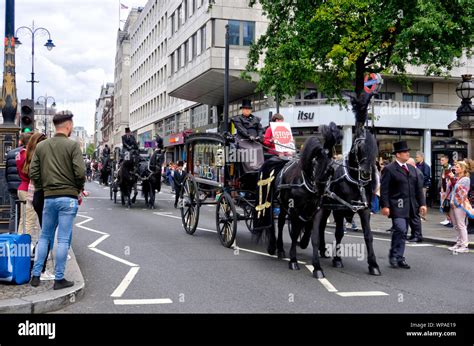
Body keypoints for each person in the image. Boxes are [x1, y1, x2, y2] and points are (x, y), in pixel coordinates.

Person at [30, 111, 86, 290]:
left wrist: (44, 187)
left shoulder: (41, 146)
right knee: (62, 239)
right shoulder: (73, 146)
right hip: (68, 198)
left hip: (49, 197)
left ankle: (36, 275)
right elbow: (80, 173)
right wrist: (77, 188)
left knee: (44, 236)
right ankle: (59, 279)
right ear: (69, 126)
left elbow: (34, 173)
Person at [380, 141, 427, 269]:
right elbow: (384, 190)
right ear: (398, 155)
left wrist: (422, 204)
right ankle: (394, 255)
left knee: (404, 232)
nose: (407, 154)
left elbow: (418, 189)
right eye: (405, 152)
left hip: (411, 206)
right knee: (400, 229)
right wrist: (385, 206)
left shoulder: (412, 169)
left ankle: (399, 257)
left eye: (407, 152)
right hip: (397, 205)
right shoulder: (389, 169)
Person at [16, 132, 46, 246]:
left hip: (21, 187)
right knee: (29, 221)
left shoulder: (19, 154)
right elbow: (32, 173)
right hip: (29, 189)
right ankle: (23, 248)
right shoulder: (28, 155)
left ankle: (18, 244)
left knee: (23, 219)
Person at [5, 132, 32, 232]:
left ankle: (12, 234)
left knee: (13, 213)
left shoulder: (11, 153)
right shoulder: (28, 154)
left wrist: (9, 184)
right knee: (25, 214)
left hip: (13, 187)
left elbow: (7, 170)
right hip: (24, 186)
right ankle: (23, 235)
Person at [444, 161, 471, 253]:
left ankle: (464, 245)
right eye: (455, 166)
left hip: (459, 204)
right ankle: (458, 243)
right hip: (451, 203)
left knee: (461, 224)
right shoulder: (455, 177)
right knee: (455, 225)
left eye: (458, 167)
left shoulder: (466, 179)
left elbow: (461, 191)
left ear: (463, 169)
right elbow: (449, 189)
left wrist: (452, 180)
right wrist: (448, 179)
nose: (455, 168)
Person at [232, 99, 264, 172]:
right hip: (243, 140)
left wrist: (259, 136)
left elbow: (260, 128)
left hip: (255, 140)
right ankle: (250, 169)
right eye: (245, 109)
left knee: (259, 148)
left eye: (249, 109)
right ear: (242, 110)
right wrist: (248, 136)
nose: (247, 110)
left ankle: (259, 167)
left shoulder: (256, 119)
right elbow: (241, 129)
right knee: (249, 149)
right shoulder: (238, 119)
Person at [406, 158, 424, 242]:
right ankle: (413, 234)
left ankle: (418, 235)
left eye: (408, 164)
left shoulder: (418, 173)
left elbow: (418, 188)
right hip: (410, 198)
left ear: (412, 164)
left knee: (415, 218)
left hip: (416, 199)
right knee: (411, 218)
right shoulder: (412, 172)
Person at [439, 155, 453, 227]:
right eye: (440, 160)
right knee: (443, 204)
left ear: (447, 160)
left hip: (447, 188)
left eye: (442, 160)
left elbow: (448, 179)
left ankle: (449, 219)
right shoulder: (442, 168)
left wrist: (444, 189)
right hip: (443, 187)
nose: (441, 161)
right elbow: (442, 178)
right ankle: (447, 218)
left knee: (446, 204)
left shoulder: (449, 168)